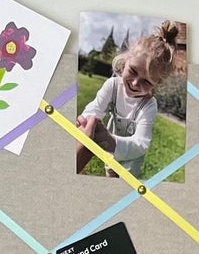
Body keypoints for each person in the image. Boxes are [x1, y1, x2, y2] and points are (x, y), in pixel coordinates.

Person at [75, 21, 181, 178]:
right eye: (132, 71)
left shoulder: (149, 105)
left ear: (155, 85)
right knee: (109, 171)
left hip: (130, 157)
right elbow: (95, 107)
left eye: (146, 81)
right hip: (110, 147)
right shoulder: (112, 85)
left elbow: (141, 143)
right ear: (125, 62)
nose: (135, 83)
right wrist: (86, 120)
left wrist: (109, 141)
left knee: (120, 181)